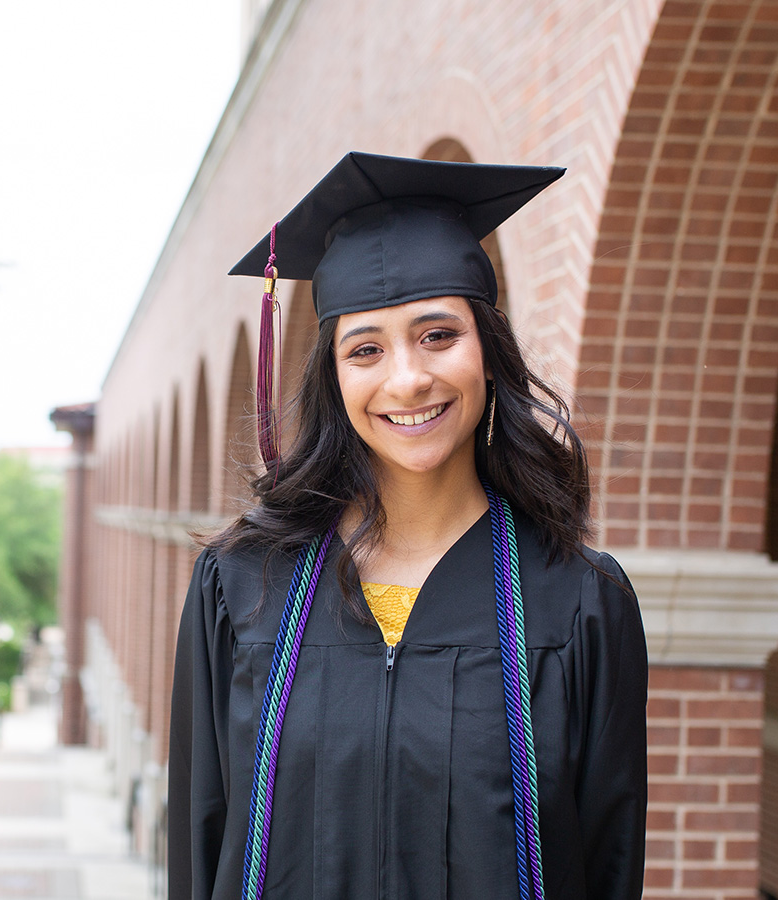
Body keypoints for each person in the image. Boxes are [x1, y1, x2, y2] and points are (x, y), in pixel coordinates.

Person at [168, 152, 648, 900]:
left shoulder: (577, 603)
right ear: (334, 376)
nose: (406, 379)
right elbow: (200, 845)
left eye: (437, 335)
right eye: (366, 349)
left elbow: (610, 866)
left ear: (488, 352)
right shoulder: (242, 585)